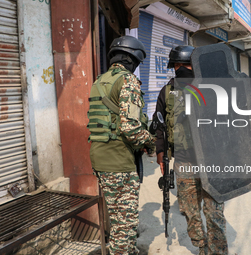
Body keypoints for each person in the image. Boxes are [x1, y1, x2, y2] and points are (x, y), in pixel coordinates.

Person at [153, 45, 228, 255]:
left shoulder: (212, 88)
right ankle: (203, 248)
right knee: (189, 211)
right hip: (184, 162)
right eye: (178, 65)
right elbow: (159, 126)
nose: (182, 68)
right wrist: (161, 156)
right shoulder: (167, 91)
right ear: (174, 66)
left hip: (212, 162)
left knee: (214, 213)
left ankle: (219, 251)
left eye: (186, 64)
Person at [87, 35, 156, 255]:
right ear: (134, 59)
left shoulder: (100, 80)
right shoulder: (128, 81)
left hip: (100, 158)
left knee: (117, 217)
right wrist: (151, 142)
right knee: (125, 226)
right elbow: (130, 128)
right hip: (119, 161)